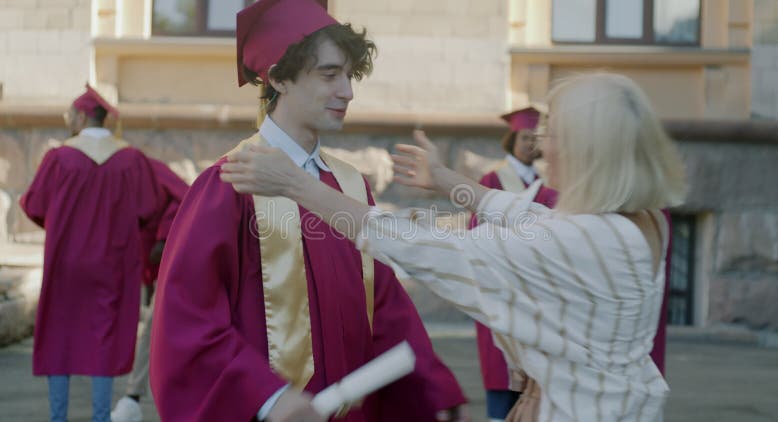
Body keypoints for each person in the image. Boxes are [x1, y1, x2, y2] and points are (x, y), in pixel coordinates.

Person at [220, 72, 687, 421]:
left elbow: (426, 245)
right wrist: (447, 182)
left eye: (553, 137)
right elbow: (526, 215)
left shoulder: (583, 241)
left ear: (590, 153)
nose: (543, 150)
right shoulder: (638, 221)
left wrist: (297, 185)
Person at [149, 1, 466, 421]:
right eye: (329, 74)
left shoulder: (350, 186)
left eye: (349, 75)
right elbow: (186, 321)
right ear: (279, 78)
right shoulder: (231, 184)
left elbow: (386, 308)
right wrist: (267, 397)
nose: (348, 91)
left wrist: (431, 390)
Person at [20, 85, 166, 422]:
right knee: (105, 336)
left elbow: (34, 204)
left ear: (84, 116)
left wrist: (62, 225)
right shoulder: (130, 158)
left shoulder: (59, 158)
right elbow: (149, 206)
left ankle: (59, 417)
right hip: (113, 265)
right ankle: (101, 417)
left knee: (60, 334)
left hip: (66, 263)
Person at [471, 106, 557, 421]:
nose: (531, 144)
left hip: (538, 301)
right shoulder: (492, 179)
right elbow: (476, 237)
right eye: (525, 137)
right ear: (511, 139)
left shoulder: (547, 187)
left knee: (536, 391)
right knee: (501, 380)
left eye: (536, 138)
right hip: (500, 296)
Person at [110, 158, 188, 422]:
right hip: (153, 260)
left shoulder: (142, 166)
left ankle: (132, 397)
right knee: (156, 327)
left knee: (155, 323)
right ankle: (134, 397)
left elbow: (183, 198)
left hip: (179, 255)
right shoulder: (106, 171)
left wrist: (164, 236)